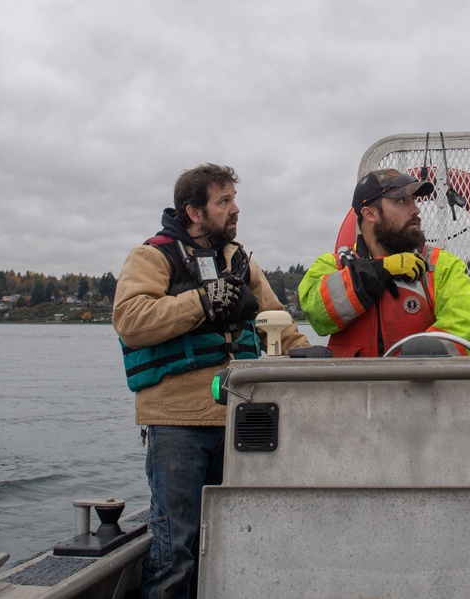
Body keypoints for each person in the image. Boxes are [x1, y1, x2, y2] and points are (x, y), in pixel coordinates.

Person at [113, 163, 309, 599]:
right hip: (177, 422)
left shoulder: (239, 260)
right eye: (224, 202)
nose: (235, 209)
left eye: (233, 200)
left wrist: (313, 358)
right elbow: (130, 320)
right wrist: (203, 300)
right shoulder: (152, 255)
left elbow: (277, 322)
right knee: (175, 547)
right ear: (194, 211)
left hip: (241, 418)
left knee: (235, 536)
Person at [299, 168, 470, 356]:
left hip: (417, 383)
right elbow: (317, 314)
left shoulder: (442, 265)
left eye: (414, 200)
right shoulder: (334, 264)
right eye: (402, 200)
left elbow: (466, 329)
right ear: (370, 213)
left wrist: (412, 366)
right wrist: (379, 271)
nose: (416, 209)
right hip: (352, 385)